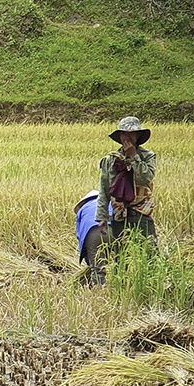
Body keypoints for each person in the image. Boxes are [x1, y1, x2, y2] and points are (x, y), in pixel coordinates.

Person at [96, 116, 156, 248]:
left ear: (138, 135)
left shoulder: (148, 156)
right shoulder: (111, 159)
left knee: (149, 254)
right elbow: (104, 188)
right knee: (120, 257)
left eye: (131, 134)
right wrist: (102, 217)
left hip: (142, 213)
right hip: (119, 215)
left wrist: (134, 156)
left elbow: (145, 178)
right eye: (123, 133)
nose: (127, 138)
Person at [76, 190, 111, 286]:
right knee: (119, 262)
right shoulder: (109, 203)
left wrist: (90, 262)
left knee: (97, 269)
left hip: (91, 232)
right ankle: (120, 288)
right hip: (111, 228)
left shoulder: (83, 209)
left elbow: (81, 238)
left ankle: (99, 290)